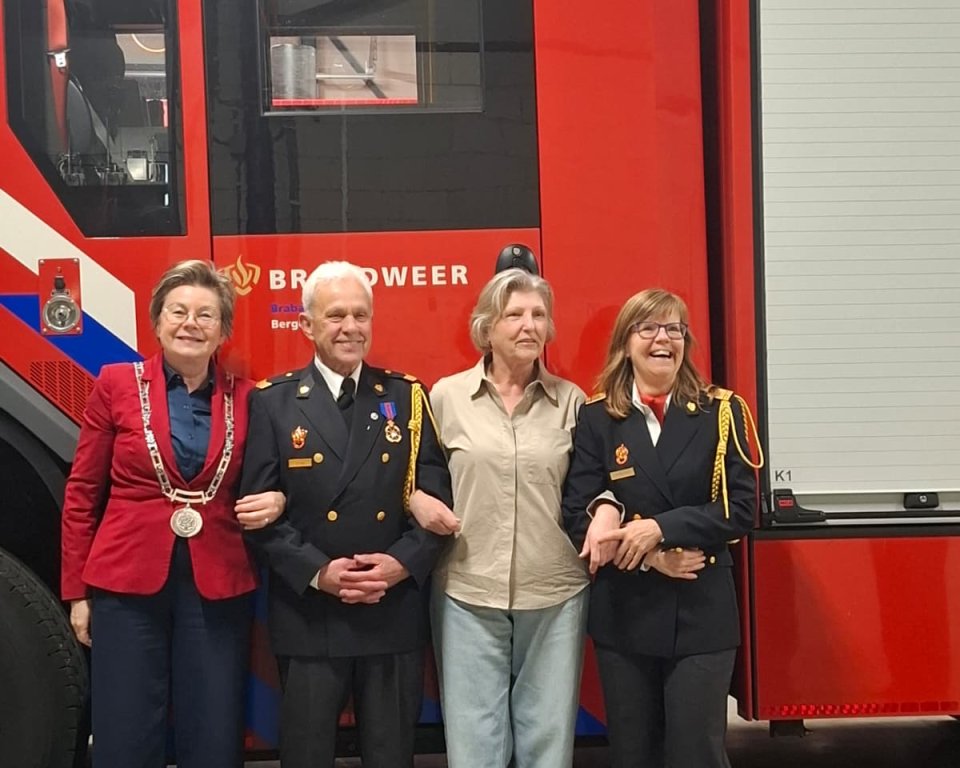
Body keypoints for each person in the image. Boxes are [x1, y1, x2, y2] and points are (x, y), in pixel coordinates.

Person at [61, 259, 286, 768]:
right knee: (125, 729)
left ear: (223, 330)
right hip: (126, 585)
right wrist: (76, 592)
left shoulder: (250, 398)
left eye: (206, 315)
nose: (191, 323)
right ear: (158, 320)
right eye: (178, 311)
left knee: (213, 729)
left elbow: (274, 478)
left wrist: (278, 499)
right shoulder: (115, 384)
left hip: (218, 587)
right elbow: (82, 491)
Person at [239, 260, 452, 768]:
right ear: (306, 324)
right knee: (307, 755)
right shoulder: (274, 402)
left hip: (390, 609)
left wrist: (400, 564)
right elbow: (256, 515)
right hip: (311, 612)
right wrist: (318, 572)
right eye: (335, 316)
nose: (351, 327)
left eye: (361, 315)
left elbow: (438, 504)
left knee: (391, 755)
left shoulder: (407, 396)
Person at [562, 288, 762, 768]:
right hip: (626, 612)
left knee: (698, 754)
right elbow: (576, 512)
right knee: (634, 755)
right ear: (626, 343)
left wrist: (660, 528)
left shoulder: (722, 412)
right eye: (647, 328)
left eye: (674, 329)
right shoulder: (597, 419)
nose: (662, 339)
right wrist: (649, 554)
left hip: (702, 616)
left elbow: (741, 509)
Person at [418, 268, 589, 768]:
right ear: (486, 328)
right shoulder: (445, 398)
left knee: (548, 743)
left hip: (555, 590)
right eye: (514, 315)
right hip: (466, 590)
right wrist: (415, 500)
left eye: (538, 315)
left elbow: (588, 490)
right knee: (474, 744)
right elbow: (419, 478)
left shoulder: (572, 402)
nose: (528, 325)